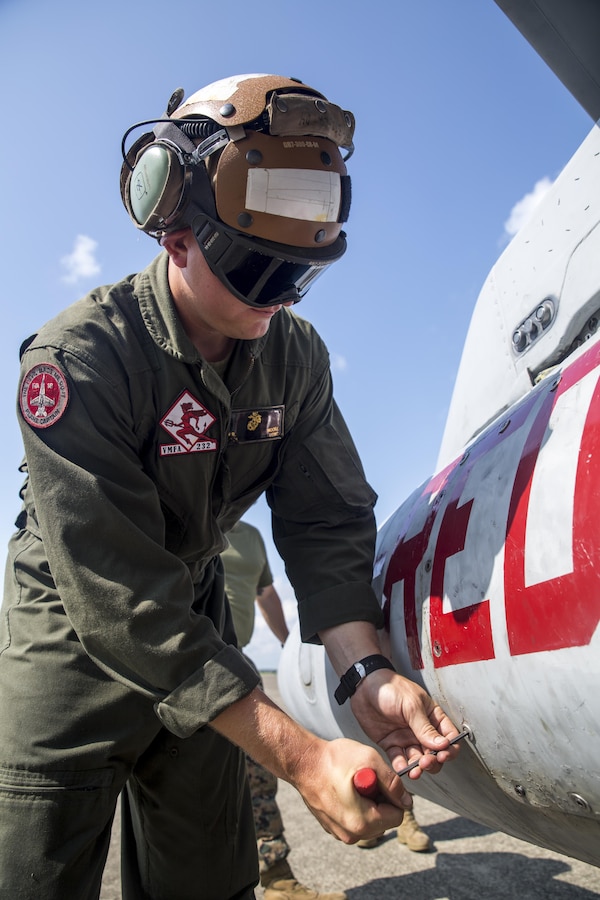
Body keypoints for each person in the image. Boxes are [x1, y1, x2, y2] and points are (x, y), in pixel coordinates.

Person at [0, 73, 460, 899]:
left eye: (299, 276)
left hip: (200, 616)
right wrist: (305, 758)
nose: (277, 300)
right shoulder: (77, 364)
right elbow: (117, 593)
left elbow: (326, 521)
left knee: (208, 881)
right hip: (70, 629)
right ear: (174, 234)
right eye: (253, 268)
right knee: (33, 870)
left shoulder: (295, 358)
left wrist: (366, 674)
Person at [223, 519, 346, 899]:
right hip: (178, 657)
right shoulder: (177, 510)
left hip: (234, 661)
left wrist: (291, 648)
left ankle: (277, 878)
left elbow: (265, 591)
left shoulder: (249, 535)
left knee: (258, 777)